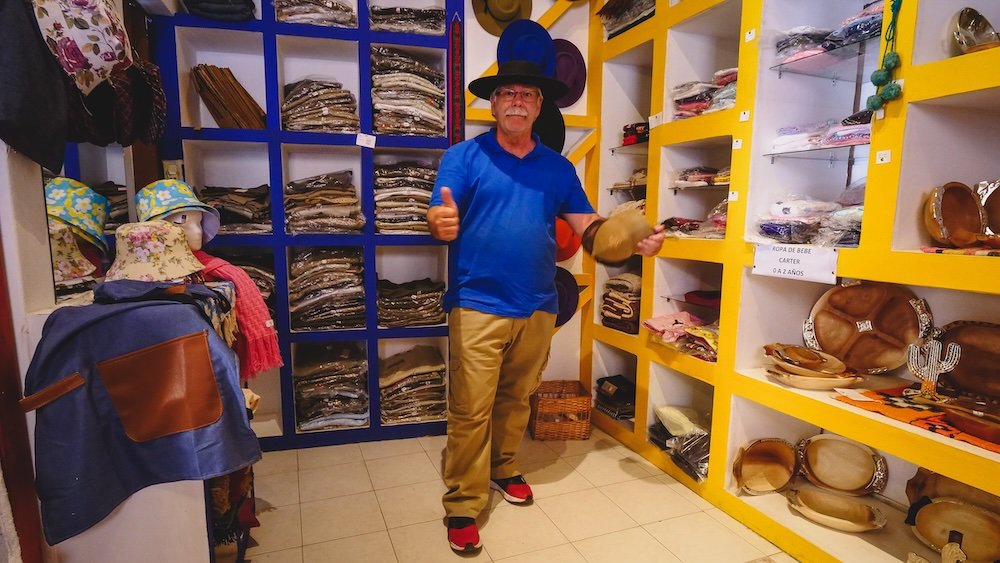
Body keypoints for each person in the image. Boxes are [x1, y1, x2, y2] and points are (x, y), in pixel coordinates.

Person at [427, 60, 665, 554]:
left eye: (527, 95)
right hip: (477, 301)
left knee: (516, 400)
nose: (517, 100)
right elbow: (440, 209)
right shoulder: (463, 157)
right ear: (493, 104)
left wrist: (628, 239)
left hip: (536, 301)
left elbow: (589, 227)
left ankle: (502, 467)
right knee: (470, 408)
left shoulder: (557, 168)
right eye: (508, 93)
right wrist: (441, 221)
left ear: (539, 106)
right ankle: (464, 503)